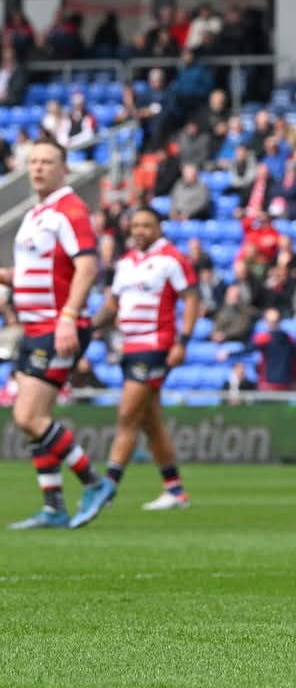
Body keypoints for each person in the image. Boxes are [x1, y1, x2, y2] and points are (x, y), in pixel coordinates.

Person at [1, 138, 114, 529]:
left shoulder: (70, 210)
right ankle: (53, 505)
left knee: (29, 415)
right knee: (34, 417)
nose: (37, 169)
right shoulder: (38, 214)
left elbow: (86, 267)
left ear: (63, 168)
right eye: (32, 162)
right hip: (34, 328)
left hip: (57, 327)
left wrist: (68, 315)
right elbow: (36, 272)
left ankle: (94, 483)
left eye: (47, 162)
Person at [90, 207, 198, 512]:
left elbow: (191, 297)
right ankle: (174, 489)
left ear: (158, 228)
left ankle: (106, 487)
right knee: (150, 421)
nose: (139, 230)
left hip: (156, 345)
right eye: (135, 225)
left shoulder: (171, 259)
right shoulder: (125, 263)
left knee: (127, 414)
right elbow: (112, 303)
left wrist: (183, 341)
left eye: (146, 225)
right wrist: (87, 327)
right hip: (130, 347)